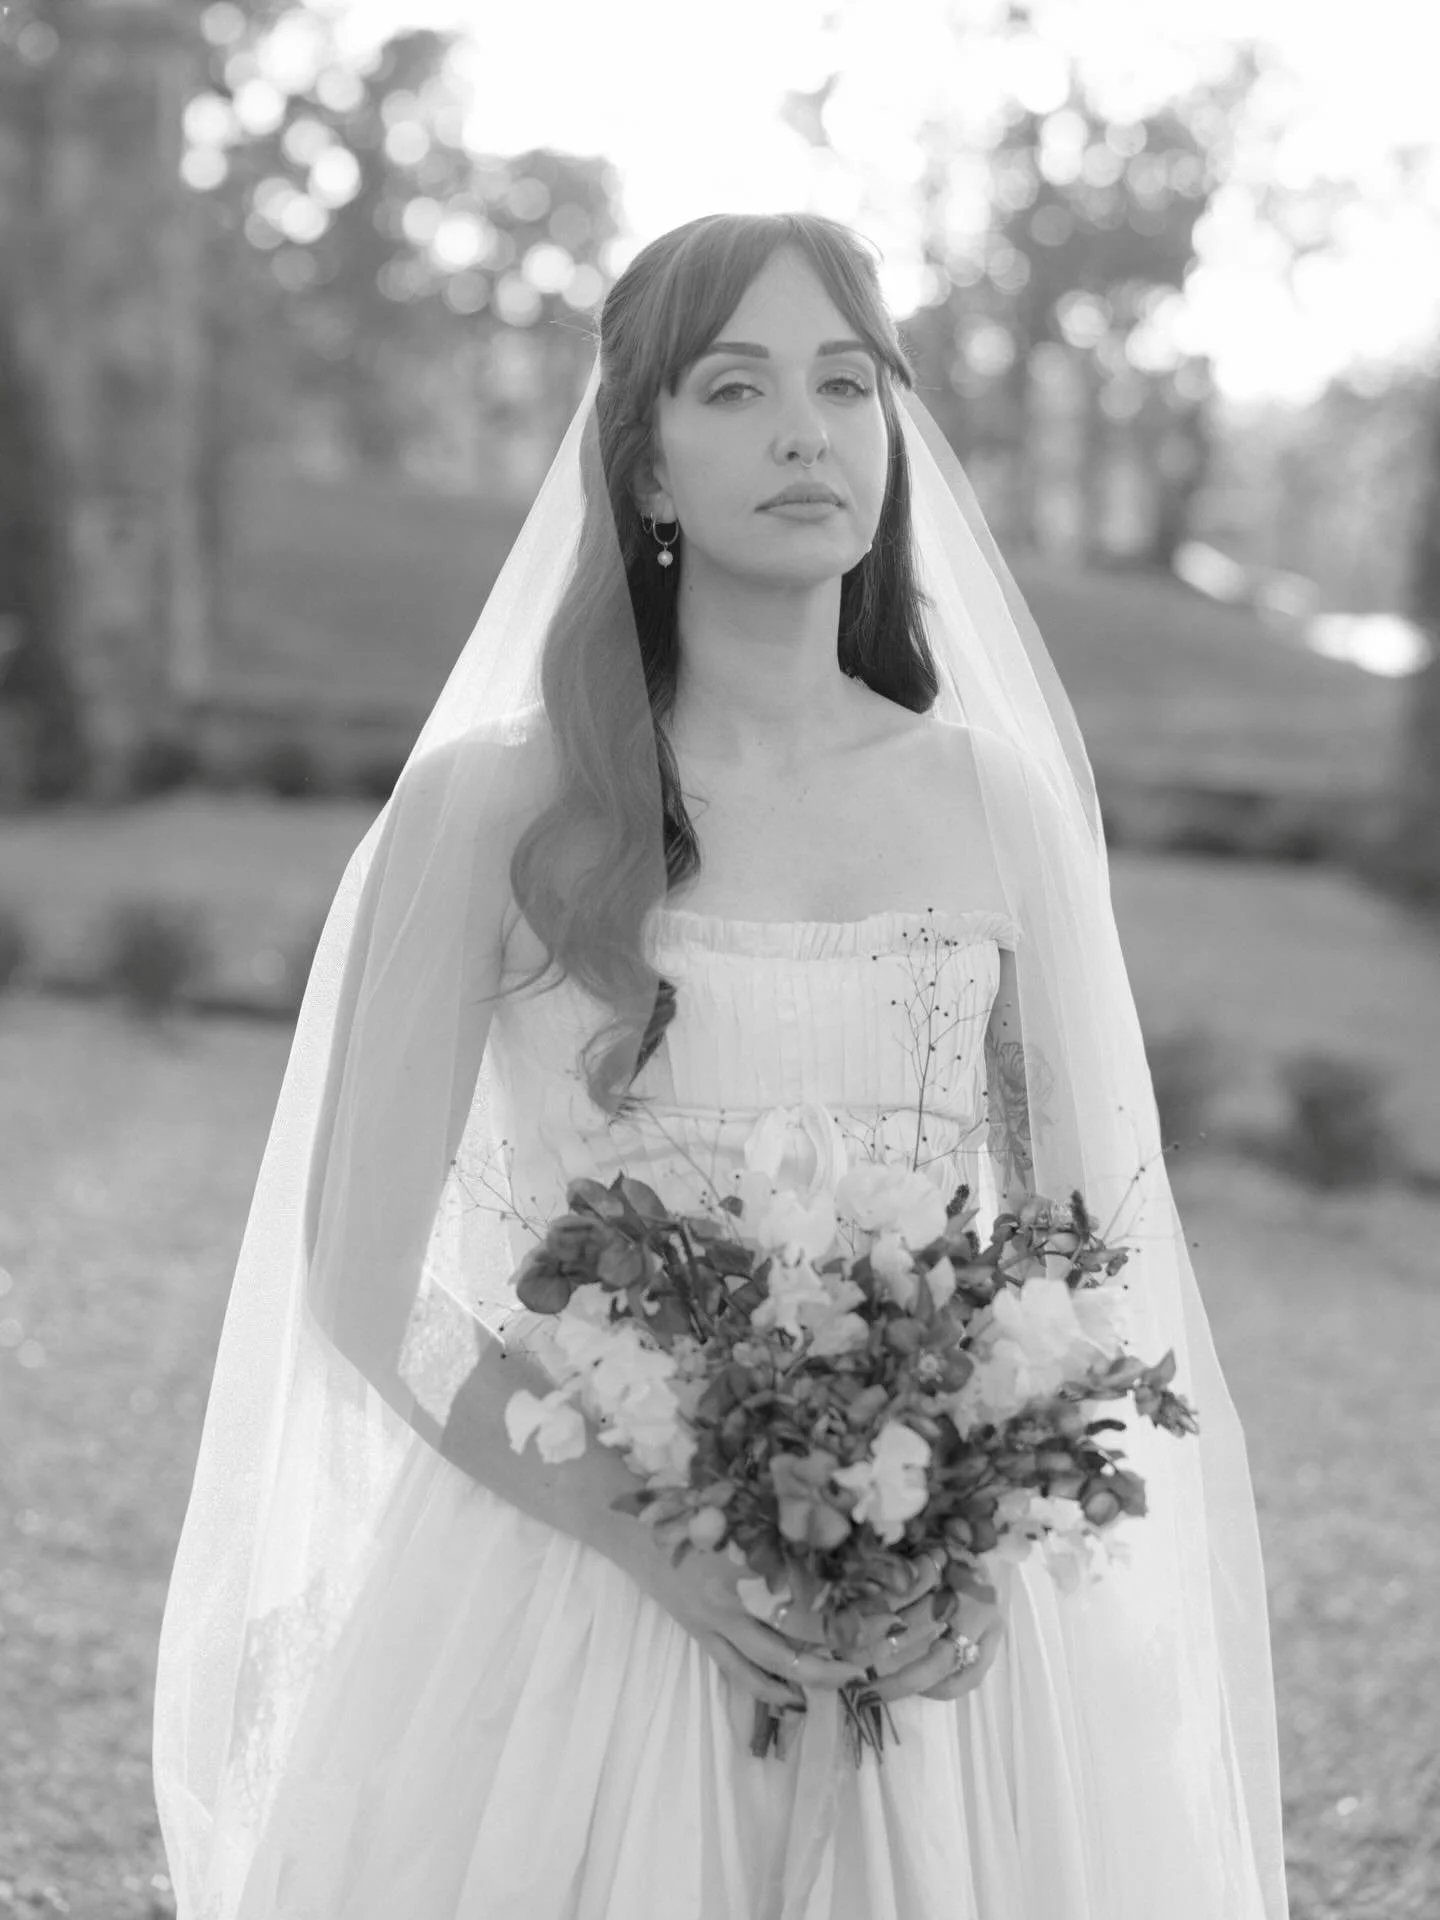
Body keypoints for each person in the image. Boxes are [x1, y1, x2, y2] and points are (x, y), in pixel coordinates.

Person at [153, 213, 1290, 1920]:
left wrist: (980, 1533)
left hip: (935, 1618)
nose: (804, 432)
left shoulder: (998, 803)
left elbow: (1082, 1240)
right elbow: (361, 1272)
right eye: (737, 386)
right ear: (650, 468)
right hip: (582, 1584)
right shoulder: (492, 805)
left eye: (845, 383)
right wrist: (651, 1540)